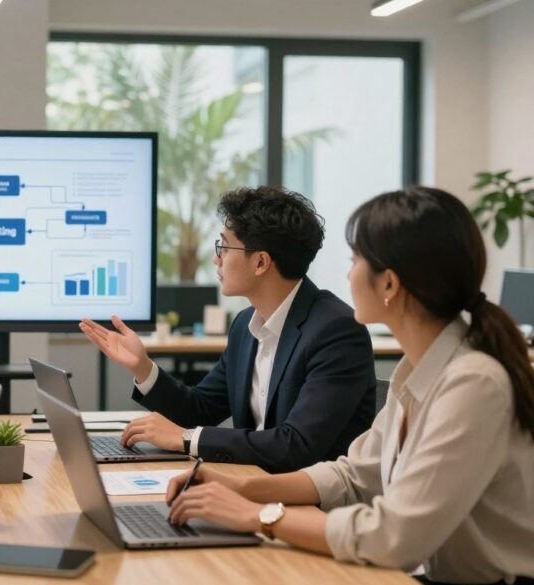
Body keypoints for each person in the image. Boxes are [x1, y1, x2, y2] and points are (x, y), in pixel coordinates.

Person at [165, 187, 534, 585]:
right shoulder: (418, 370)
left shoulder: (473, 384)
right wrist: (244, 488)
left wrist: (258, 515)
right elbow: (353, 476)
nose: (348, 274)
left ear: (389, 284)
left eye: (355, 260)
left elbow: (394, 536)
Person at [81, 186, 376, 472]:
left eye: (223, 246)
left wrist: (187, 439)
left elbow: (296, 445)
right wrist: (143, 368)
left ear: (260, 262)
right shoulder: (245, 326)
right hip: (250, 482)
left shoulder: (335, 331)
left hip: (307, 499)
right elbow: (199, 409)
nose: (216, 258)